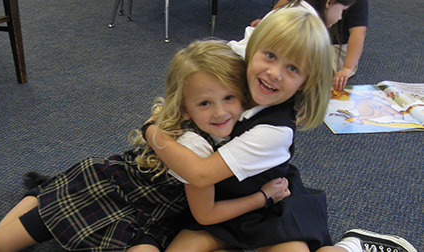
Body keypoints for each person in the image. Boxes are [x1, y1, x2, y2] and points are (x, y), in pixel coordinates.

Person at [143, 8, 417, 252]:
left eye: (292, 68)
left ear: (304, 82)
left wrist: (151, 129)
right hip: (219, 200)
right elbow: (200, 69)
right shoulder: (241, 60)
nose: (274, 73)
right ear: (252, 49)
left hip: (268, 206)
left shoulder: (274, 132)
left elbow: (200, 175)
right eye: (270, 56)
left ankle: (351, 246)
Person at [0, 40, 290, 252]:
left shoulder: (222, 124)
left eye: (229, 98)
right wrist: (262, 197)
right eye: (204, 103)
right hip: (108, 189)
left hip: (147, 215)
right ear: (184, 108)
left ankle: (53, 191)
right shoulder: (197, 150)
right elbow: (206, 215)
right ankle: (46, 192)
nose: (220, 113)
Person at [243, 0, 365, 90]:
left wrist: (347, 68)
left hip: (335, 46)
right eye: (342, 11)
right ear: (329, 2)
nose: (339, 17)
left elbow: (358, 33)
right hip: (249, 55)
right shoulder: (308, 25)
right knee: (312, 74)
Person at [332, 0, 368, 90]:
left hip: (337, 47)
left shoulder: (357, 2)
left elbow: (358, 32)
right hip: (311, 38)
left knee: (312, 67)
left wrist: (347, 67)